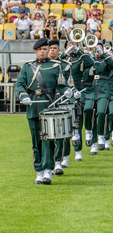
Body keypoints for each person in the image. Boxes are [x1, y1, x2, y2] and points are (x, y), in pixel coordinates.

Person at [16, 38, 73, 184]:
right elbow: (20, 84)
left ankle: (48, 170)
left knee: (48, 141)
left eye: (45, 49)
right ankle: (39, 171)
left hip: (49, 108)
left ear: (48, 50)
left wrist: (68, 91)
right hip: (32, 108)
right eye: (40, 49)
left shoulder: (56, 66)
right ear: (35, 51)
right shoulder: (27, 67)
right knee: (36, 142)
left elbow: (62, 85)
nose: (42, 51)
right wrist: (23, 96)